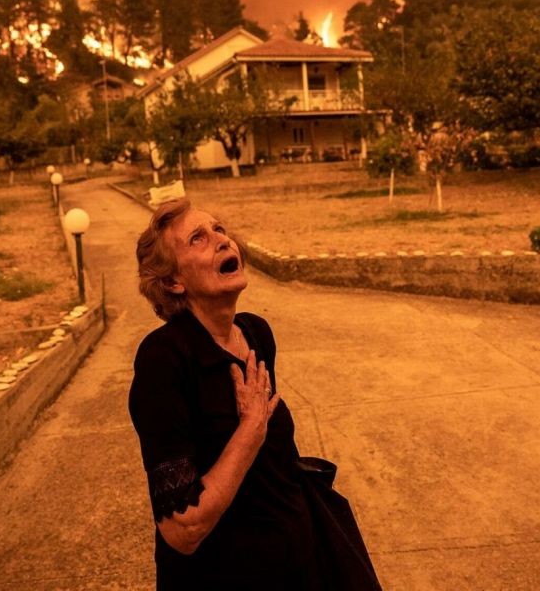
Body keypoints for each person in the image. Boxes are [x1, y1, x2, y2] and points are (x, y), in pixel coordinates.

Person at [128, 198, 381, 590]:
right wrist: (249, 431)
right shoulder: (164, 360)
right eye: (198, 238)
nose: (222, 241)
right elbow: (183, 528)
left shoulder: (256, 333)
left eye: (220, 229)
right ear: (173, 281)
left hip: (301, 567)